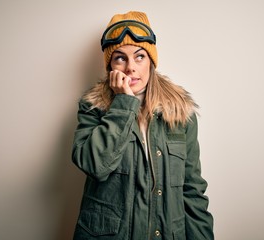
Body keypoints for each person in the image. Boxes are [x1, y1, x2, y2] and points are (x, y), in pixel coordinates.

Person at [72, 11, 214, 240]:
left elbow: (193, 191)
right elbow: (95, 165)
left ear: (151, 62)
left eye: (139, 57)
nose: (131, 68)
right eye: (120, 58)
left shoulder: (180, 113)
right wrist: (123, 104)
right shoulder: (93, 108)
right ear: (110, 65)